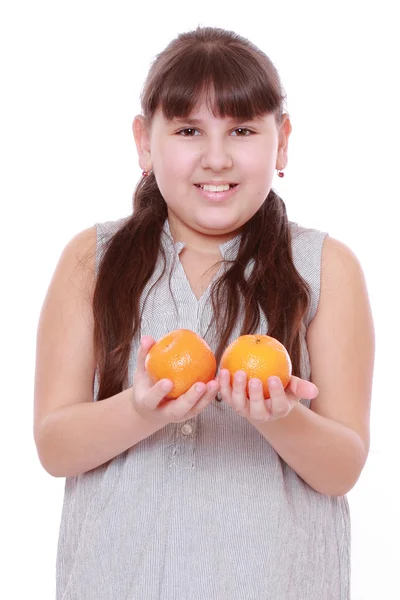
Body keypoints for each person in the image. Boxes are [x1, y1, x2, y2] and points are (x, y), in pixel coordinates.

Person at [33, 26, 375, 600]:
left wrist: (278, 416)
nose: (216, 158)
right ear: (144, 141)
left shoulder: (325, 268)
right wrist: (142, 410)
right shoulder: (91, 260)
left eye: (241, 130)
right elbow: (54, 445)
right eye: (189, 130)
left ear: (282, 141)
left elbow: (343, 468)